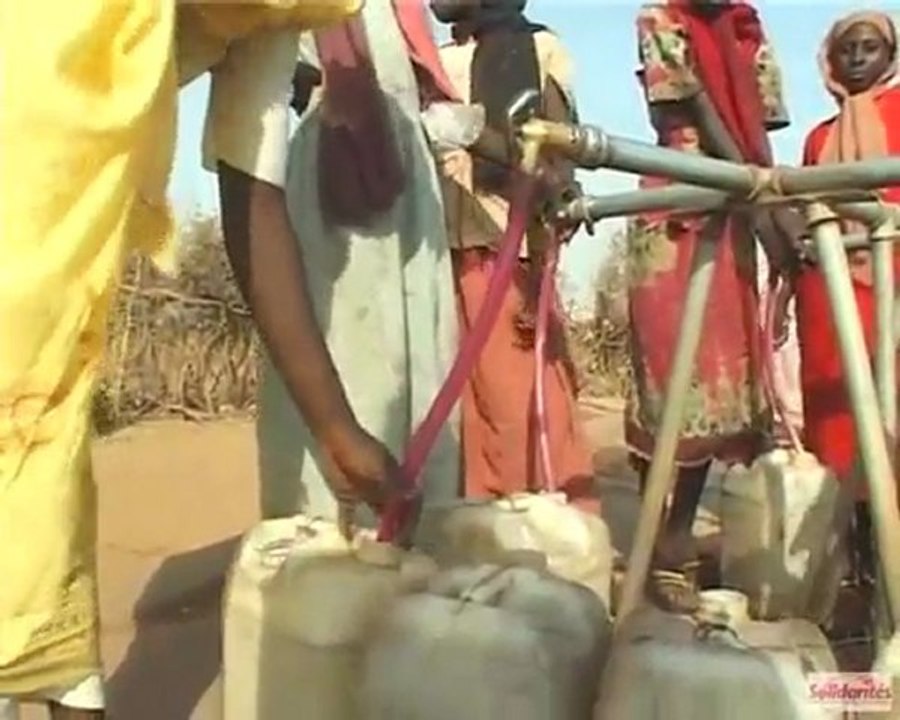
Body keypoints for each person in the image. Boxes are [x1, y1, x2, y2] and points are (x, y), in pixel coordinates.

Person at [0, 3, 401, 718]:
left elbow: (256, 195)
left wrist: (338, 433)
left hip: (48, 312)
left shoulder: (282, 13)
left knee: (37, 504)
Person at [254, 0, 474, 523]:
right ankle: (336, 552)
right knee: (356, 360)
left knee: (420, 368)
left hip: (402, 170)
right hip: (340, 157)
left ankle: (417, 548)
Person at [629, 0, 796, 611]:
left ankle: (678, 534)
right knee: (667, 375)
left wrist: (766, 203)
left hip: (739, 206)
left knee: (723, 381)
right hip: (676, 200)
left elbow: (761, 122)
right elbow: (693, 103)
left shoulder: (748, 29)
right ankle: (654, 539)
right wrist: (762, 200)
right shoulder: (658, 17)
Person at [430, 0, 598, 511]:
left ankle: (540, 538)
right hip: (436, 251)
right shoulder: (430, 59)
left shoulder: (540, 49)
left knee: (516, 406)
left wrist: (539, 275)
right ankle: (481, 536)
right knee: (461, 410)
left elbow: (557, 155)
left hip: (506, 248)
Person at [794, 11, 900, 585]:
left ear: (891, 56)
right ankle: (856, 567)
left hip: (892, 280)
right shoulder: (817, 136)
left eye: (870, 48)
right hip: (827, 294)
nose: (857, 58)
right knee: (836, 423)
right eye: (847, 50)